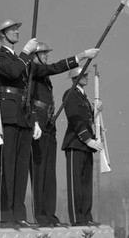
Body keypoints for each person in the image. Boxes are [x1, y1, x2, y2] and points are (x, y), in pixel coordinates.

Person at [30, 42, 100, 226]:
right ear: (34, 56)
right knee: (39, 173)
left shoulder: (43, 77)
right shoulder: (32, 70)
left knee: (49, 174)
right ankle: (41, 216)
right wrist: (82, 54)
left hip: (49, 124)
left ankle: (50, 216)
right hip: (37, 123)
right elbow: (54, 69)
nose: (46, 56)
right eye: (43, 53)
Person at [0, 18, 42, 228]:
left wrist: (79, 58)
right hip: (7, 114)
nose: (16, 32)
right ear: (2, 34)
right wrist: (25, 52)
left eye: (17, 28)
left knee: (21, 168)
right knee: (7, 165)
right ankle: (6, 215)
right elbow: (13, 71)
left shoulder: (19, 58)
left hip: (23, 115)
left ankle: (19, 214)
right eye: (12, 29)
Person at [61, 67, 103, 227]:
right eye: (83, 75)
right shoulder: (70, 93)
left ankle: (86, 216)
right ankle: (77, 218)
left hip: (85, 145)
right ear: (75, 77)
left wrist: (96, 111)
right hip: (75, 143)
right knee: (76, 184)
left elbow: (88, 120)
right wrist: (87, 139)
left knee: (86, 184)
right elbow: (75, 120)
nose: (87, 77)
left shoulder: (83, 97)